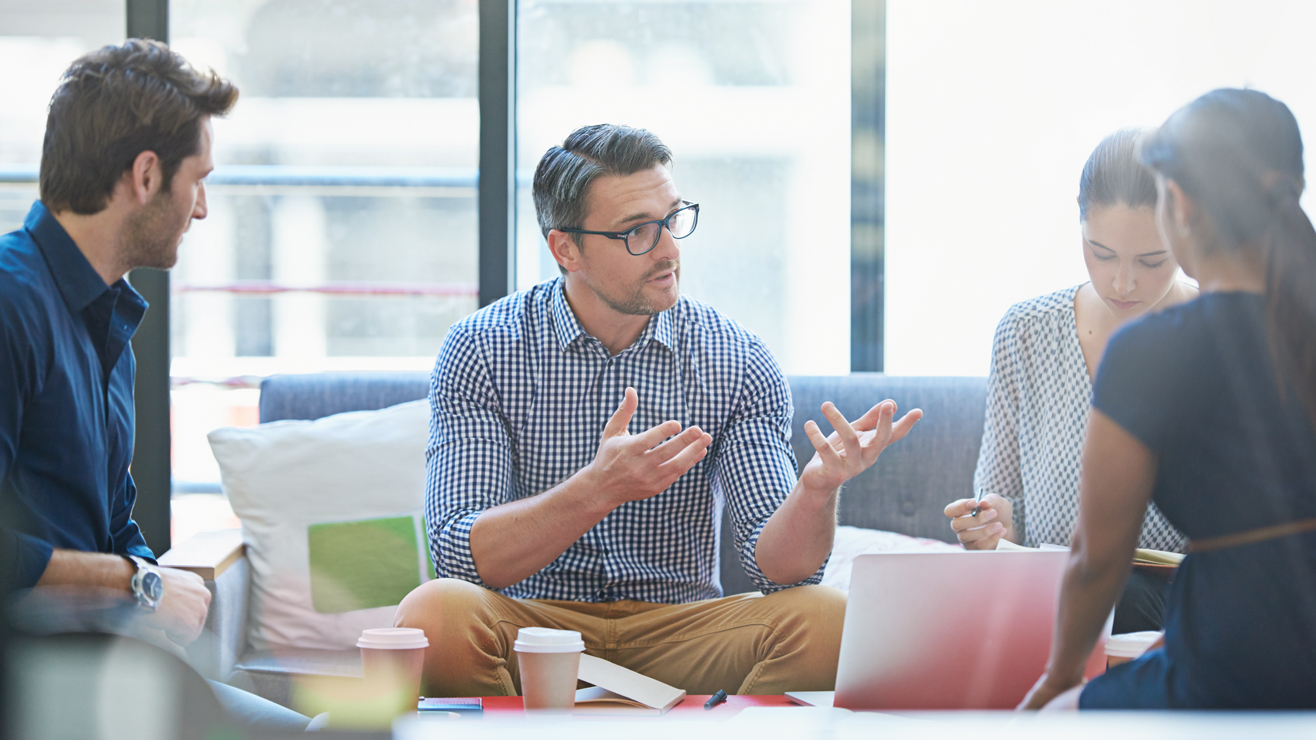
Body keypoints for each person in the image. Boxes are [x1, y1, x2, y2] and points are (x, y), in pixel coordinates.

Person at [394, 124, 922, 697]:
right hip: (534, 628)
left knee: (826, 617)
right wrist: (598, 488)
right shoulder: (483, 348)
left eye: (672, 219)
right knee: (434, 613)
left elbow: (782, 573)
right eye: (636, 232)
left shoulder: (734, 356)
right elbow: (459, 554)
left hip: (681, 628)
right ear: (565, 248)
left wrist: (815, 492)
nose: (669, 248)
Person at [0, 40, 308, 730]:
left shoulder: (105, 319)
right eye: (198, 179)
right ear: (145, 175)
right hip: (17, 684)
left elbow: (109, 523)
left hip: (97, 667)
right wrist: (134, 582)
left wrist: (142, 570)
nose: (200, 209)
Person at [1022, 88, 1316, 710]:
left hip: (1231, 669)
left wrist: (1058, 682)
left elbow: (1098, 560)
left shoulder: (1152, 352)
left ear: (1178, 204)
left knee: (1055, 718)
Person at [945, 129, 1196, 633]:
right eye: (1102, 254)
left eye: (1151, 261)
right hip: (1054, 603)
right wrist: (994, 524)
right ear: (1079, 225)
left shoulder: (1233, 335)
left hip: (1192, 612)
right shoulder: (1026, 334)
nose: (1123, 283)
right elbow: (1003, 505)